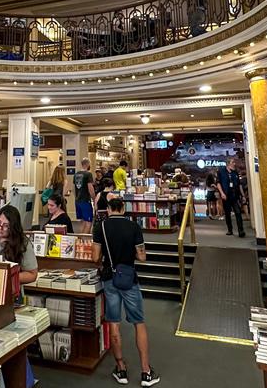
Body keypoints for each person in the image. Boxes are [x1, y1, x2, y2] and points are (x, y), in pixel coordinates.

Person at [92, 197, 160, 386]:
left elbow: (95, 256)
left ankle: (121, 368)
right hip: (129, 278)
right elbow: (142, 256)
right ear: (123, 208)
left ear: (108, 209)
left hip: (109, 278)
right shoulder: (134, 227)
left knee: (114, 322)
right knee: (139, 322)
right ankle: (146, 371)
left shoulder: (100, 227)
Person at [217, 157, 246, 237]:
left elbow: (239, 185)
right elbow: (218, 183)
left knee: (238, 212)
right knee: (227, 213)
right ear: (228, 163)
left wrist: (243, 195)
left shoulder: (235, 173)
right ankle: (230, 230)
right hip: (226, 196)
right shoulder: (221, 171)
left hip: (235, 196)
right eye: (233, 162)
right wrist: (222, 193)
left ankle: (241, 230)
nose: (234, 164)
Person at [72, 158, 95, 234]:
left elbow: (73, 188)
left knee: (82, 221)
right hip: (85, 201)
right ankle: (85, 239)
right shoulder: (88, 174)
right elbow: (90, 188)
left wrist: (77, 196)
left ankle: (80, 239)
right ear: (88, 164)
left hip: (77, 201)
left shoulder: (76, 174)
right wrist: (94, 199)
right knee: (88, 222)